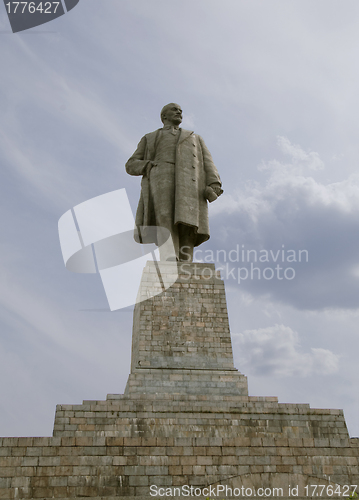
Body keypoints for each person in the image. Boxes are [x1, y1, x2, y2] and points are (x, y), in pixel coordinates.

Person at [125, 103, 223, 261]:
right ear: (164, 116)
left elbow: (207, 162)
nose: (179, 112)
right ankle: (169, 255)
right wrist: (148, 166)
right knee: (165, 216)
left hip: (190, 179)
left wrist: (214, 183)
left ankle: (186, 260)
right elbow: (131, 164)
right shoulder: (150, 137)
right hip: (161, 176)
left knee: (188, 220)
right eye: (174, 110)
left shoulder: (195, 138)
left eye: (180, 111)